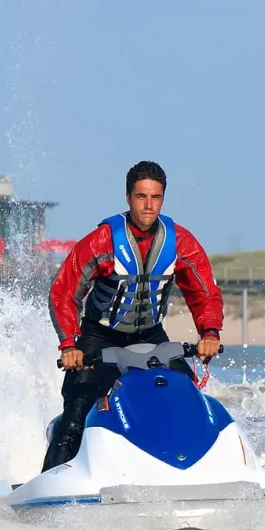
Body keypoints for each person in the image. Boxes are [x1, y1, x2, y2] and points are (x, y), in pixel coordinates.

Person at [41, 160, 224, 472]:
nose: (148, 206)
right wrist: (70, 346)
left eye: (155, 197)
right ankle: (50, 480)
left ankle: (192, 468)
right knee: (78, 411)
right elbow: (64, 293)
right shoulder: (101, 241)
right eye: (141, 197)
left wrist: (210, 333)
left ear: (163, 199)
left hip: (151, 336)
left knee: (184, 397)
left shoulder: (180, 242)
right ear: (128, 198)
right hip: (99, 338)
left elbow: (204, 292)